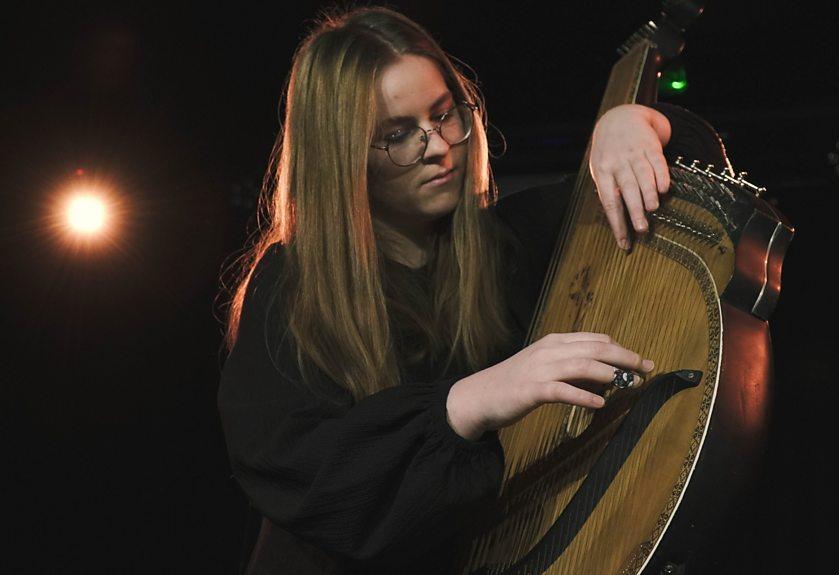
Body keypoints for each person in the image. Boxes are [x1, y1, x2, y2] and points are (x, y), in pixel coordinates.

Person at [217, 6, 730, 574]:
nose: (438, 146)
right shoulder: (292, 286)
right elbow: (307, 478)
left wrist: (635, 124)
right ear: (341, 160)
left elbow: (689, 187)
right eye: (398, 135)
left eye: (444, 115)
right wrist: (471, 401)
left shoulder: (510, 242)